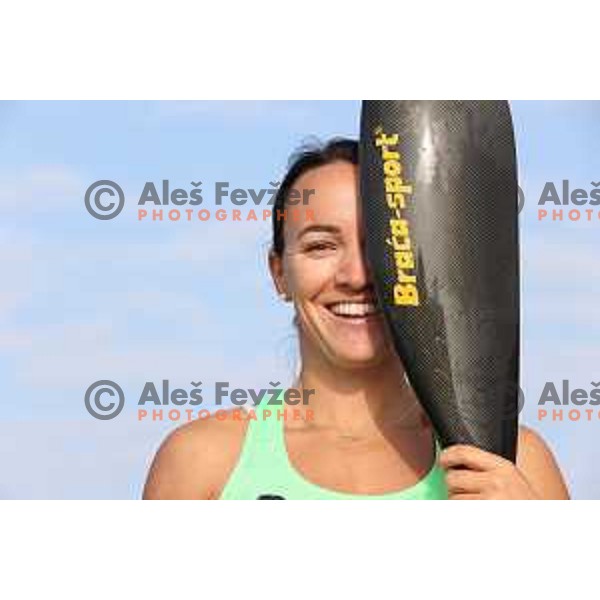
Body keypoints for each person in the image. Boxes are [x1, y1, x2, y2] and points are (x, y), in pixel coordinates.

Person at [143, 138, 570, 500]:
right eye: (321, 246)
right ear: (279, 274)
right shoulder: (202, 462)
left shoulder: (510, 461)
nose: (356, 276)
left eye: (382, 247)